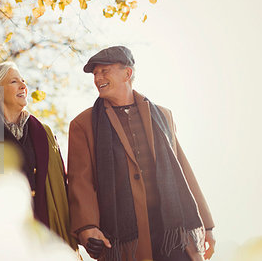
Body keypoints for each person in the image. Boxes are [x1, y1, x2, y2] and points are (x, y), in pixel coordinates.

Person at [67, 46, 216, 261]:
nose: (97, 78)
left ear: (127, 73)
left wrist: (207, 225)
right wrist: (87, 226)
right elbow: (81, 181)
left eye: (104, 71)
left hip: (174, 233)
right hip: (125, 239)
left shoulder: (164, 115)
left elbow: (183, 170)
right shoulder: (83, 124)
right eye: (95, 74)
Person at [0, 62, 77, 250]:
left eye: (23, 81)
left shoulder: (45, 134)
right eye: (14, 81)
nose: (24, 86)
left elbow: (62, 187)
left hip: (48, 239)